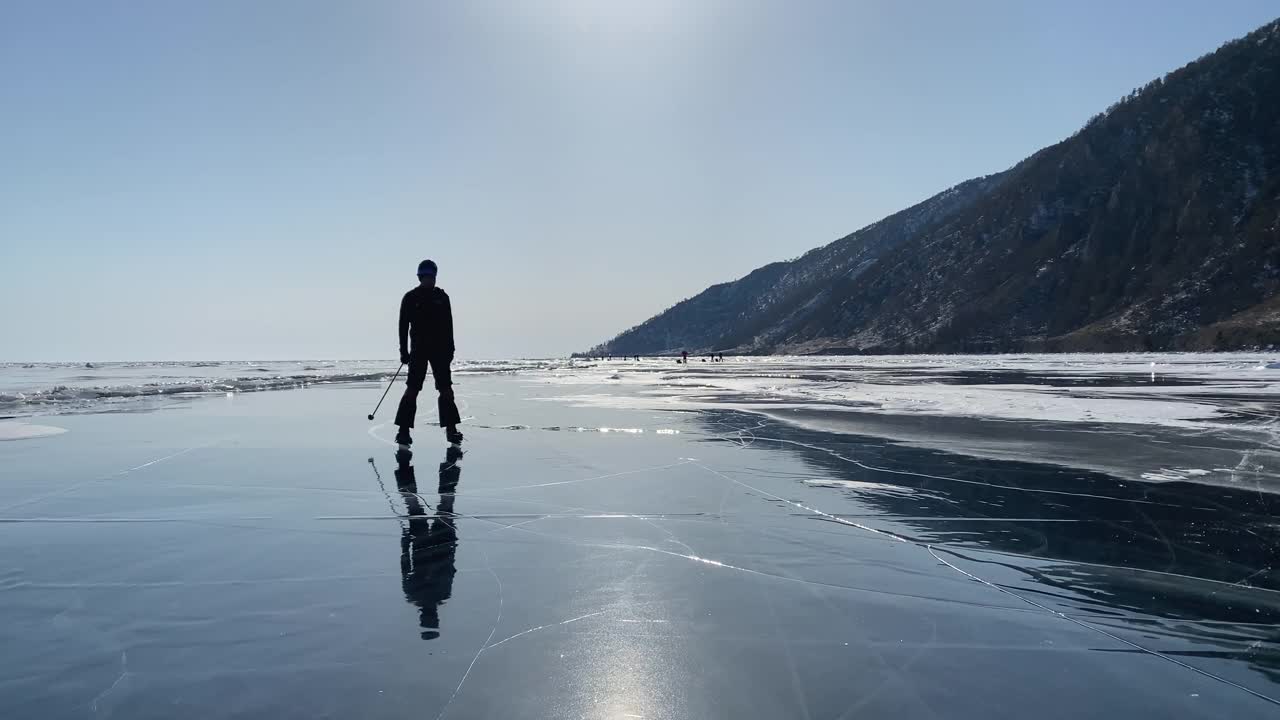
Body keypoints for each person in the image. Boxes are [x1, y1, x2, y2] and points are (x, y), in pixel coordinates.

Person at [395, 259, 463, 446]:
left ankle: (451, 430)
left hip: (440, 350)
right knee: (412, 389)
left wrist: (450, 350)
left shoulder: (442, 297)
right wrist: (403, 350)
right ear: (420, 277)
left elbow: (449, 326)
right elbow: (402, 326)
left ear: (434, 276)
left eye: (431, 277)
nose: (429, 280)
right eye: (425, 277)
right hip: (418, 350)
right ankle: (403, 431)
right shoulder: (410, 297)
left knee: (446, 389)